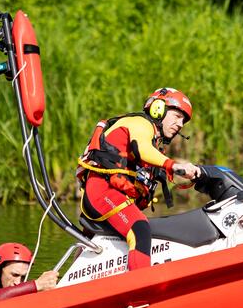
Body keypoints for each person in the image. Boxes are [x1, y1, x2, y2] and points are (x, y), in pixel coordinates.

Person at [76, 87, 201, 271]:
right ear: (158, 108)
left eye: (184, 120)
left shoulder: (154, 143)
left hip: (113, 197)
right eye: (177, 116)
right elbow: (142, 148)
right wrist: (172, 165)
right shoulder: (139, 123)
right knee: (140, 229)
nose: (180, 124)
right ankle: (140, 290)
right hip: (103, 194)